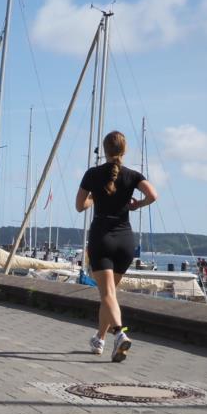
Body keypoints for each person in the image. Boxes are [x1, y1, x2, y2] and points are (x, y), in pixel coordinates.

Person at [76, 131, 158, 362]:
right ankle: (99, 340)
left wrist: (95, 198)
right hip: (125, 241)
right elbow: (153, 195)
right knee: (108, 295)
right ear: (124, 150)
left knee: (108, 294)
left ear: (105, 150)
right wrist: (137, 205)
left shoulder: (92, 174)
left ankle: (119, 333)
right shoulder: (132, 175)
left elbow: (79, 205)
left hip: (101, 238)